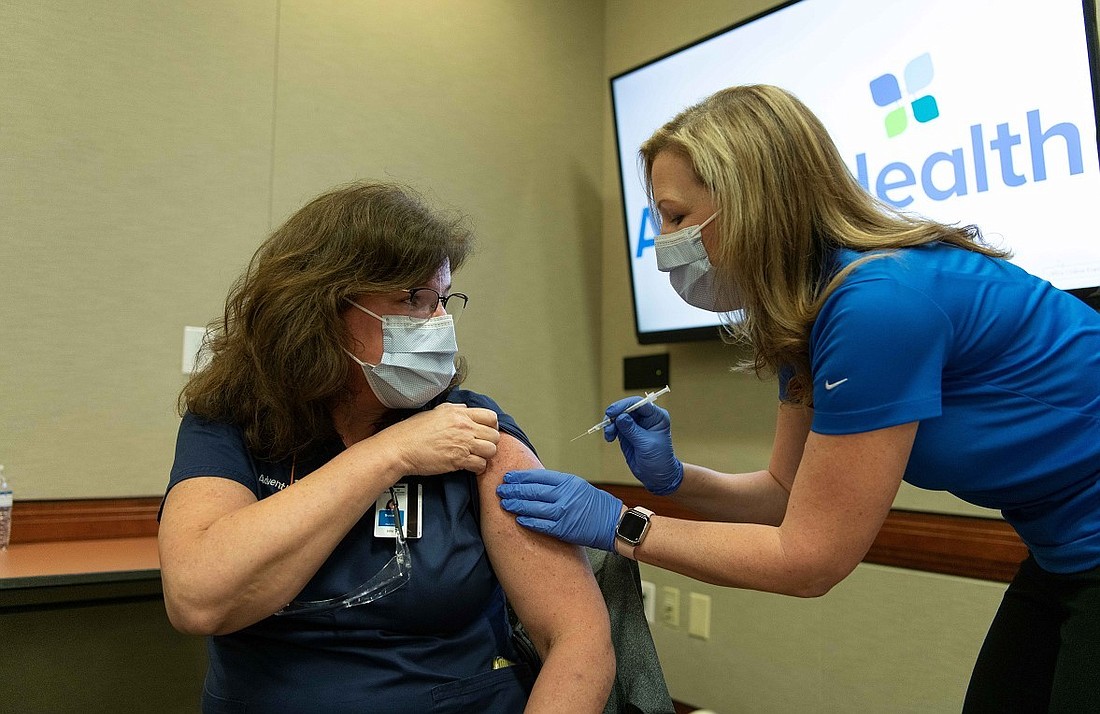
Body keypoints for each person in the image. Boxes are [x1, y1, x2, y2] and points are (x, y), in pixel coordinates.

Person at [497, 85, 1100, 712]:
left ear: (752, 203)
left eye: (677, 217)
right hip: (1063, 546)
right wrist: (676, 480)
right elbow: (787, 497)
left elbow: (810, 560)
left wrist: (618, 522)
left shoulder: (878, 304)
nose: (665, 242)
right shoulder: (809, 312)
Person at [158, 181, 614, 713]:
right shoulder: (233, 423)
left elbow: (578, 640)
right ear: (323, 309)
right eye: (412, 299)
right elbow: (198, 599)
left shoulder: (472, 430)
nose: (438, 322)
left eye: (442, 299)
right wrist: (389, 453)